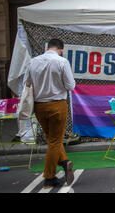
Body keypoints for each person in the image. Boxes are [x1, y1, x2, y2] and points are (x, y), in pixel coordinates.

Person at [24, 38, 76, 189]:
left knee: (51, 139)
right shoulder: (62, 62)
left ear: (47, 47)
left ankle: (65, 162)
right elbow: (70, 85)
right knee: (54, 141)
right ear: (61, 49)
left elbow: (27, 83)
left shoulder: (33, 61)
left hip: (39, 106)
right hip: (57, 104)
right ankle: (49, 177)